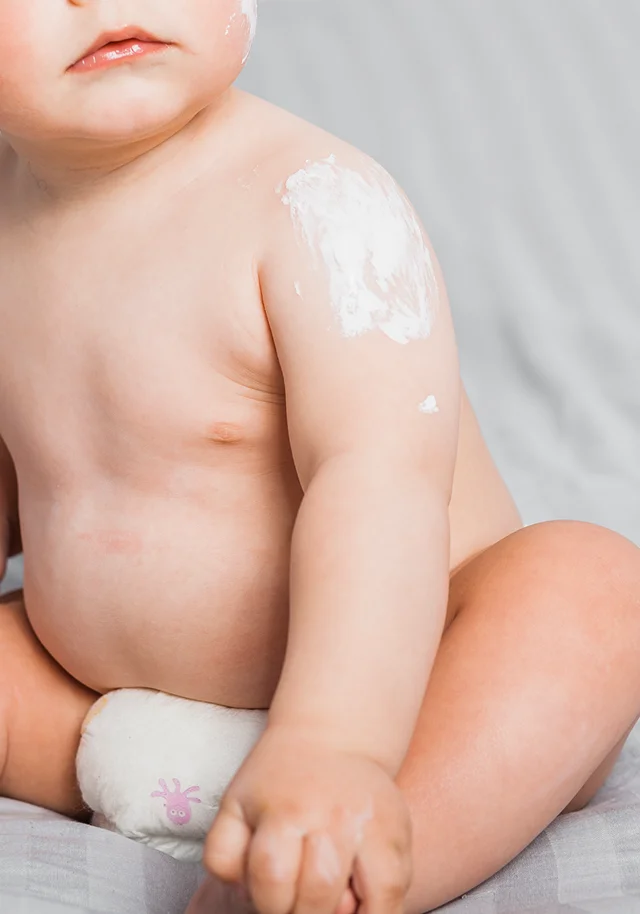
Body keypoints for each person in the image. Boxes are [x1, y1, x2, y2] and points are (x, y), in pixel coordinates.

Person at [0, 2, 639, 912]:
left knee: (593, 592)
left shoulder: (314, 202)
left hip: (411, 709)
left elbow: (378, 479)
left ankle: (333, 862)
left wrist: (336, 742)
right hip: (96, 704)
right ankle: (162, 783)